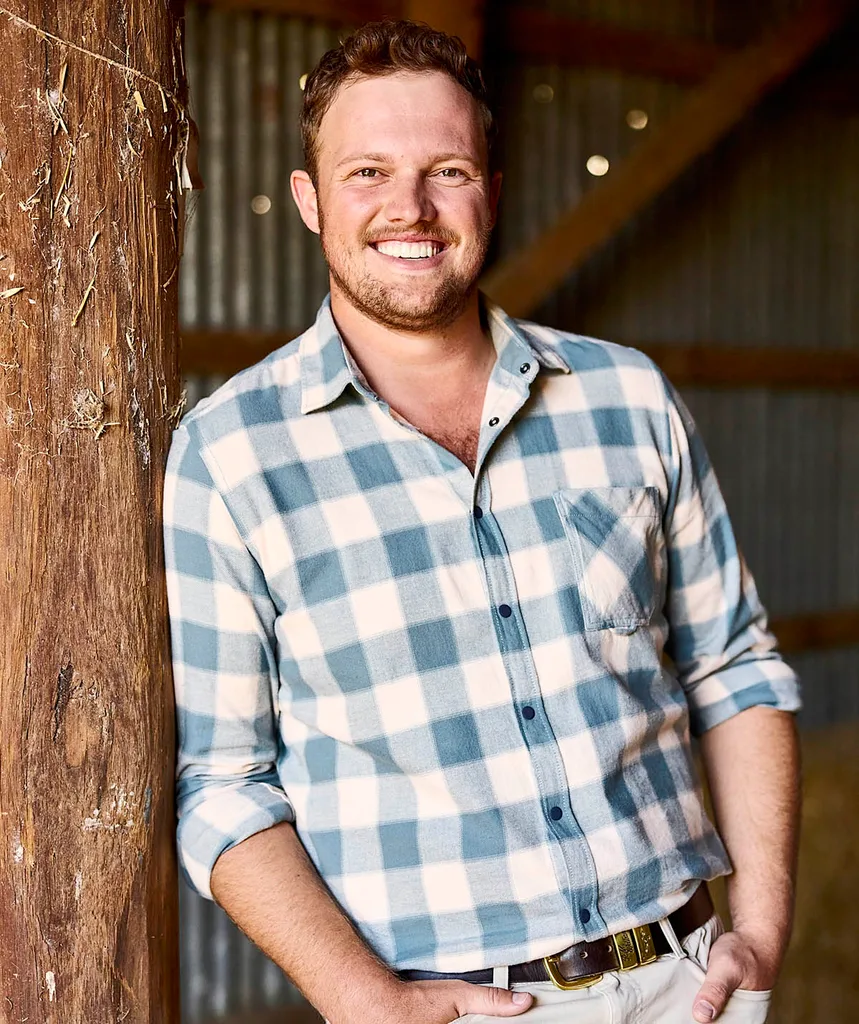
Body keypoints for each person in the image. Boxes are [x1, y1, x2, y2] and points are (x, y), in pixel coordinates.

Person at [163, 20, 801, 1024]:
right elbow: (223, 781)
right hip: (450, 1010)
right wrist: (357, 994)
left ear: (492, 192)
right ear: (308, 199)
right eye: (367, 170)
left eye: (447, 169)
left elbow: (735, 668)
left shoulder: (626, 399)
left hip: (692, 987)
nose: (410, 209)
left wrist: (758, 935)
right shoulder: (230, 453)